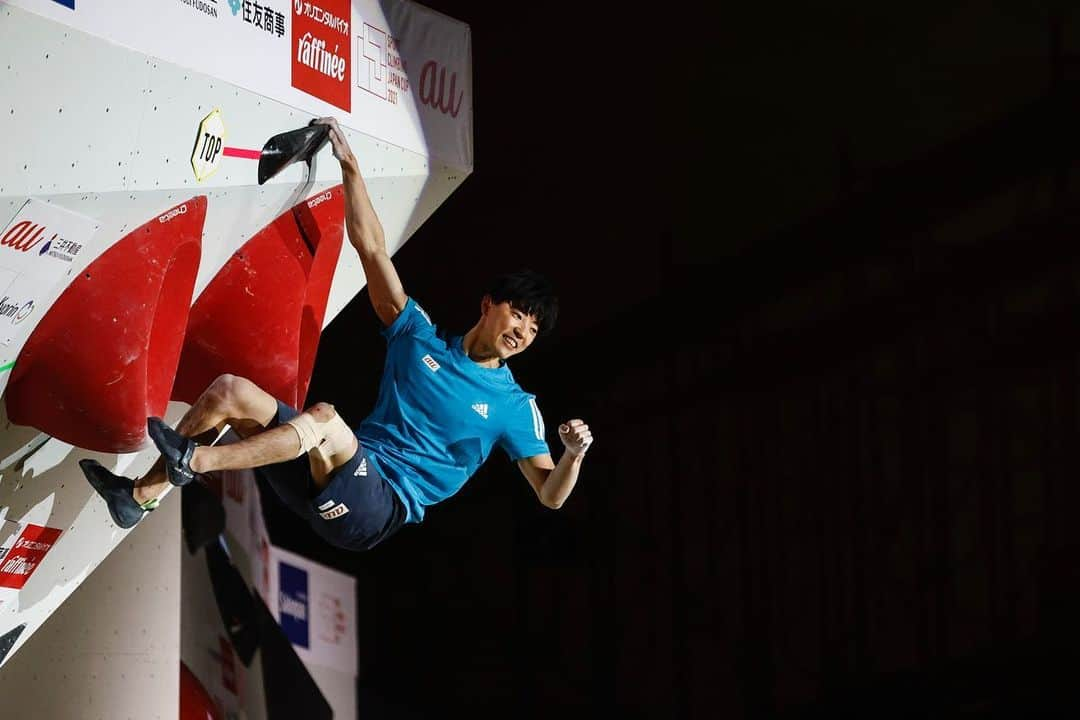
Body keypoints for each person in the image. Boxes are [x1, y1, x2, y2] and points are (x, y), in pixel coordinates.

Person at [80, 117, 593, 551]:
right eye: (520, 315)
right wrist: (349, 164)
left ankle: (195, 461)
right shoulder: (418, 339)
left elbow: (551, 494)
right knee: (229, 392)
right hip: (323, 469)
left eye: (534, 328)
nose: (524, 331)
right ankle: (137, 498)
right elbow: (372, 252)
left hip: (375, 507)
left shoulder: (514, 405)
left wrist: (572, 454)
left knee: (324, 418)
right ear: (489, 305)